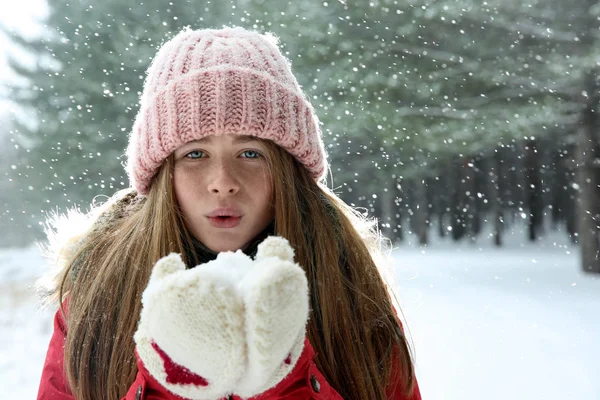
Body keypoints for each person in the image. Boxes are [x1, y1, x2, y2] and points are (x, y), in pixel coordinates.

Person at [36, 26, 422, 400]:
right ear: (161, 176)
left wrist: (281, 380)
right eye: (195, 154)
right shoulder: (99, 293)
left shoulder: (348, 289)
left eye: (251, 153)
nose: (223, 181)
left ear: (287, 173)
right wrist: (170, 375)